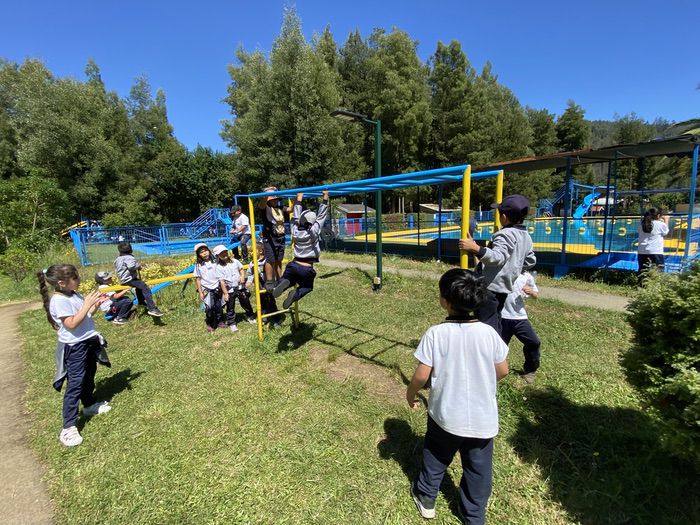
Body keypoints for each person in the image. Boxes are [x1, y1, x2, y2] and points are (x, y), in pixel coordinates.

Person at [406, 269, 509, 524]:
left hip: (445, 416)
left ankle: (426, 497)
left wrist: (411, 393)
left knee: (436, 455)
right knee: (478, 470)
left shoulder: (436, 333)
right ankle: (474, 516)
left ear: (444, 301)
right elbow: (503, 370)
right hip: (483, 419)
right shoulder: (489, 333)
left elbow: (421, 375)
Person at [37, 264, 113, 447]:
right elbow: (71, 324)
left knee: (89, 374)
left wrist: (95, 305)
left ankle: (89, 404)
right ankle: (68, 427)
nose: (79, 280)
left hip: (88, 341)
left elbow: (85, 315)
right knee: (75, 384)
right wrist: (86, 304)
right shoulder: (59, 300)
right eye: (75, 278)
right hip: (75, 346)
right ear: (62, 283)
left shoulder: (73, 294)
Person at [458, 194, 536, 335]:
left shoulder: (504, 234)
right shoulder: (526, 236)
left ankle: (490, 346)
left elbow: (497, 257)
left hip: (489, 287)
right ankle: (496, 343)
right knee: (496, 318)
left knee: (486, 323)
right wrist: (512, 266)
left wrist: (475, 248)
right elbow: (530, 260)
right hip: (504, 287)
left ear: (504, 217)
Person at [272, 191, 330, 310]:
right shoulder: (314, 231)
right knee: (307, 287)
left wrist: (298, 200)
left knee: (289, 279)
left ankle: (284, 282)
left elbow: (295, 217)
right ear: (312, 222)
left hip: (293, 265)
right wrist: (325, 198)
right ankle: (295, 295)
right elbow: (321, 216)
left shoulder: (295, 230)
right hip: (306, 268)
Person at [501, 270, 541, 384]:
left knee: (534, 342)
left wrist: (531, 292)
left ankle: (530, 370)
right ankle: (494, 370)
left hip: (520, 318)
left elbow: (536, 295)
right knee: (499, 346)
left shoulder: (527, 276)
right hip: (502, 316)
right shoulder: (502, 271)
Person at [213, 244, 257, 332]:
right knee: (230, 307)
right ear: (217, 256)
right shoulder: (218, 267)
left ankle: (250, 316)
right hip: (229, 290)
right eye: (221, 253)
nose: (224, 254)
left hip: (240, 287)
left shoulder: (234, 261)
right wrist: (225, 293)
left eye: (225, 252)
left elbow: (241, 269)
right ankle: (232, 323)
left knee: (246, 302)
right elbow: (222, 282)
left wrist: (242, 276)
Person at [114, 242, 163, 317]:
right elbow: (131, 266)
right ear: (131, 250)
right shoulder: (129, 257)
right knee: (145, 288)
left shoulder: (118, 259)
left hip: (123, 279)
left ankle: (141, 302)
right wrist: (138, 266)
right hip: (129, 279)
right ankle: (152, 308)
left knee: (139, 286)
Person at [258, 186, 292, 291]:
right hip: (270, 237)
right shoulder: (265, 208)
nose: (275, 200)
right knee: (270, 260)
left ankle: (279, 279)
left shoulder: (280, 208)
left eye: (276, 199)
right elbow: (262, 203)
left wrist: (297, 200)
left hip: (280, 237)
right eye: (273, 199)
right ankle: (269, 281)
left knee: (278, 260)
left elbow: (290, 209)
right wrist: (266, 193)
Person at [247, 242, 282, 328]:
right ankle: (264, 318)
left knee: (271, 302)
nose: (251, 253)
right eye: (250, 251)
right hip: (259, 286)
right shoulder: (252, 263)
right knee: (261, 302)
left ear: (261, 251)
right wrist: (249, 281)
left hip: (268, 284)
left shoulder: (267, 261)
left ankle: (277, 319)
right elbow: (250, 274)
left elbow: (273, 270)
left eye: (253, 251)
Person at [193, 243, 224, 332]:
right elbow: (198, 279)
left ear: (209, 251)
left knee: (218, 306)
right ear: (198, 255)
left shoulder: (216, 261)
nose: (204, 253)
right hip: (206, 289)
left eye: (205, 251)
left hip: (217, 287)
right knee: (209, 307)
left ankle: (219, 321)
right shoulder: (198, 265)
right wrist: (200, 292)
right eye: (201, 252)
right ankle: (210, 323)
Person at [637, 207, 669, 282]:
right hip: (656, 251)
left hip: (642, 250)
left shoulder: (642, 224)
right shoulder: (661, 224)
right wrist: (666, 220)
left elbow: (639, 231)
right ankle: (656, 285)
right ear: (658, 216)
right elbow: (665, 232)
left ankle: (641, 285)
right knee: (658, 270)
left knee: (643, 270)